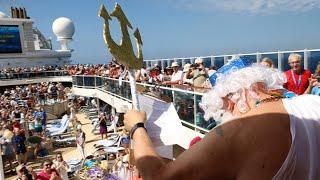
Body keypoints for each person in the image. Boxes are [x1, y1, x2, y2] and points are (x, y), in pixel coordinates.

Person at [124, 62, 320, 179]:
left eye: (224, 107)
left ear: (234, 95)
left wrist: (137, 127)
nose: (227, 114)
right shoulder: (313, 103)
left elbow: (159, 177)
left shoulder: (240, 129)